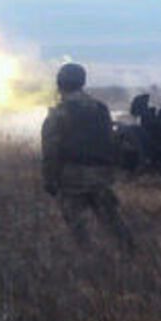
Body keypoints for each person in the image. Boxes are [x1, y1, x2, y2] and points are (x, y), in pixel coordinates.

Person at [41, 62, 134, 251]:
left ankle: (88, 261)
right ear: (82, 82)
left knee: (77, 226)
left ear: (60, 83)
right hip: (101, 175)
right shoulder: (100, 108)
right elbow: (110, 139)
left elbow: (51, 150)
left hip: (72, 177)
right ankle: (132, 256)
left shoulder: (59, 113)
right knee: (112, 220)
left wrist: (50, 180)